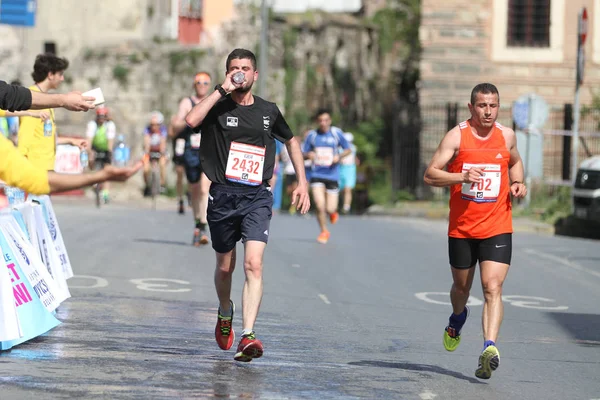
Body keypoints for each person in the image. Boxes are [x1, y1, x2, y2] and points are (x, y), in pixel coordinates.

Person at [185, 48, 310, 362]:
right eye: (233, 68)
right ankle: (225, 310)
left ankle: (248, 334)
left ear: (255, 75)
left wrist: (302, 181)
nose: (240, 72)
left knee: (253, 264)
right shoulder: (218, 104)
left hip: (256, 196)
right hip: (223, 196)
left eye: (245, 68)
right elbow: (191, 120)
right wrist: (221, 89)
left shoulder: (268, 110)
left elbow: (291, 141)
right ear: (227, 72)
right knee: (225, 267)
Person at [423, 83, 527, 380]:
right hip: (462, 229)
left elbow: (515, 162)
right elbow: (430, 174)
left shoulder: (506, 136)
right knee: (461, 290)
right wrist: (461, 175)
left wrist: (517, 182)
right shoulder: (457, 136)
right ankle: (457, 319)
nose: (488, 111)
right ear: (471, 108)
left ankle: (489, 347)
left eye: (493, 105)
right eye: (482, 106)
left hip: (497, 226)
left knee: (492, 287)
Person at [18, 53, 87, 171]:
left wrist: (71, 141)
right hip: (34, 171)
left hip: (47, 168)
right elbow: (24, 139)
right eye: (60, 74)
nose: (62, 79)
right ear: (50, 75)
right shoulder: (33, 100)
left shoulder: (45, 100)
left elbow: (45, 136)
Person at [170, 72, 213, 245]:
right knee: (195, 189)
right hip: (191, 151)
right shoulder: (187, 102)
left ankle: (203, 224)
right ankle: (198, 223)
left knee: (204, 188)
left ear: (209, 85)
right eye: (198, 82)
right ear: (194, 85)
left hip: (209, 150)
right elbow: (176, 124)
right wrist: (190, 118)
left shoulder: (213, 100)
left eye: (205, 82)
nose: (202, 85)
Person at [302, 109, 351, 244]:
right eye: (321, 121)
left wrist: (338, 156)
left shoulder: (336, 133)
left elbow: (348, 149)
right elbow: (302, 153)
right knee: (319, 205)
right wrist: (308, 155)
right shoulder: (312, 136)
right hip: (316, 174)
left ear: (330, 121)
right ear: (317, 122)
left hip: (332, 175)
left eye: (326, 120)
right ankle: (324, 231)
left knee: (330, 208)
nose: (323, 123)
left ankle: (333, 212)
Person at [86, 106, 117, 203]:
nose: (101, 119)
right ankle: (93, 182)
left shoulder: (110, 125)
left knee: (107, 170)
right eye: (99, 116)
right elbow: (89, 140)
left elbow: (110, 140)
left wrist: (109, 152)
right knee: (91, 159)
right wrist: (90, 151)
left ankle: (106, 193)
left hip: (105, 147)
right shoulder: (92, 124)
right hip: (95, 147)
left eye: (103, 117)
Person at [142, 111, 168, 195]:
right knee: (145, 168)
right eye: (152, 124)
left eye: (156, 124)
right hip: (149, 151)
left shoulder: (163, 130)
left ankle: (162, 184)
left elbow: (163, 142)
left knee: (162, 164)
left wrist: (162, 152)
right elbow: (146, 141)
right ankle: (147, 185)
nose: (154, 127)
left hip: (160, 151)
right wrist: (147, 151)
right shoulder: (147, 130)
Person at [338, 132, 358, 214]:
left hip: (350, 169)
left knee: (348, 189)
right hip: (340, 169)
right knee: (342, 190)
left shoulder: (353, 148)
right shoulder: (339, 148)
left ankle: (346, 207)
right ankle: (342, 205)